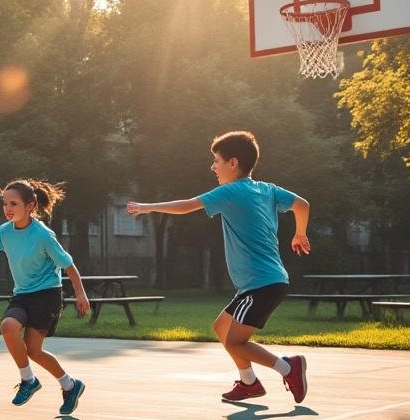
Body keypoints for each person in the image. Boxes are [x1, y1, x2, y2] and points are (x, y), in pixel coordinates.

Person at [127, 130, 311, 403]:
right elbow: (302, 205)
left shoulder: (231, 191)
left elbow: (187, 206)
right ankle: (249, 383)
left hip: (262, 283)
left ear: (233, 163)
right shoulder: (267, 189)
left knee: (236, 341)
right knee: (221, 327)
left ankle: (289, 367)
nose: (213, 167)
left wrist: (148, 206)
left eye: (216, 160)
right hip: (262, 282)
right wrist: (300, 233)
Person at [0, 180, 91, 415]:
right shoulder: (4, 231)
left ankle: (70, 385)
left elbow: (69, 266)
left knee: (34, 350)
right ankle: (29, 380)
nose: (7, 208)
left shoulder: (42, 234)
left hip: (47, 295)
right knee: (8, 326)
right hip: (22, 294)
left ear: (30, 206)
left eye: (13, 203)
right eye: (4, 204)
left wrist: (80, 294)